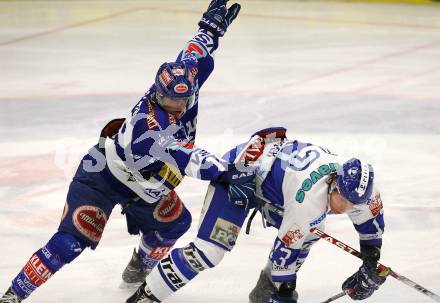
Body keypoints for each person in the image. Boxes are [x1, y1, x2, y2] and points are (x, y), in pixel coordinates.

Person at [0, 1, 244, 302]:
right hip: (103, 177)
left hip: (145, 184)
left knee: (175, 224)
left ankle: (138, 268)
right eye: (170, 101)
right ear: (158, 93)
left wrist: (209, 29)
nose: (179, 107)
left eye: (184, 99)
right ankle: (12, 296)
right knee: (69, 243)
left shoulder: (184, 86)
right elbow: (187, 158)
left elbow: (194, 54)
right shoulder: (147, 127)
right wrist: (224, 170)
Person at [125, 127, 387, 303]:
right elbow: (285, 251)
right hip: (241, 177)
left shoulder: (363, 191)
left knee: (308, 236)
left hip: (275, 189)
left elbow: (371, 227)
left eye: (354, 203)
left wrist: (370, 261)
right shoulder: (308, 201)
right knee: (209, 252)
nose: (345, 207)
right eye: (342, 198)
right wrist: (284, 292)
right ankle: (145, 296)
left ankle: (263, 291)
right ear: (333, 181)